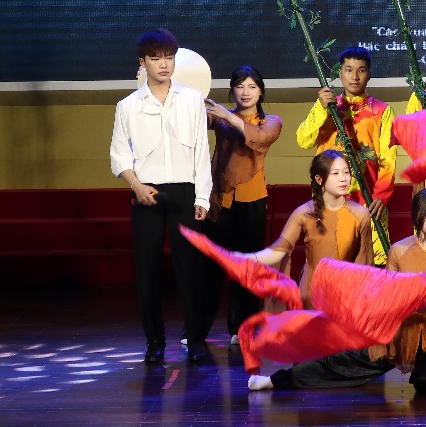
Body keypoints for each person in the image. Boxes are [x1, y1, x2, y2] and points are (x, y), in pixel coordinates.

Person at [248, 187, 426, 393]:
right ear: (417, 216)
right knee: (341, 363)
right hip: (397, 333)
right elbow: (386, 296)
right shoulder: (399, 250)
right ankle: (275, 380)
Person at [109, 28, 213, 364]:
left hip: (184, 191)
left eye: (169, 57)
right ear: (143, 62)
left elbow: (201, 151)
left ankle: (195, 339)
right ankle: (154, 342)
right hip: (146, 193)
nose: (164, 64)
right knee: (147, 270)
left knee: (190, 269)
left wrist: (202, 197)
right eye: (156, 58)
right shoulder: (128, 106)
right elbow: (118, 156)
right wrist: (136, 186)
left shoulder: (192, 100)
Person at [203, 65, 283, 344]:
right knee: (210, 267)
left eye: (251, 86)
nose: (245, 92)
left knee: (248, 268)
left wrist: (227, 116)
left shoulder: (270, 121)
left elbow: (259, 138)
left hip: (253, 201)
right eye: (239, 86)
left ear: (260, 91)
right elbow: (189, 119)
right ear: (232, 90)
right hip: (220, 200)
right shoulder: (220, 117)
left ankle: (242, 328)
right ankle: (197, 330)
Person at [295, 47, 396, 264]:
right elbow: (303, 141)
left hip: (368, 198)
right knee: (331, 259)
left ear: (369, 74)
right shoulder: (328, 108)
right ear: (340, 73)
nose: (355, 76)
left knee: (369, 262)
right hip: (330, 200)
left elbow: (388, 158)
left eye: (361, 70)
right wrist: (321, 108)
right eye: (349, 70)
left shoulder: (381, 110)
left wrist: (382, 194)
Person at [246, 150, 373, 306]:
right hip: (311, 294)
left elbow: (364, 262)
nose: (343, 178)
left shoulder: (360, 214)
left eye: (346, 172)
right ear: (319, 179)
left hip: (346, 296)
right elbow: (281, 250)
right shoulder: (304, 213)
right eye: (335, 173)